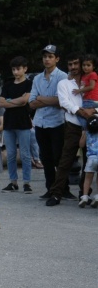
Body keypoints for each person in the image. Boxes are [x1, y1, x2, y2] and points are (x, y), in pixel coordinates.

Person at [45, 52, 94, 206]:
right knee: (65, 160)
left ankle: (84, 193)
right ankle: (56, 193)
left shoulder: (90, 82)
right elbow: (64, 102)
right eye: (70, 64)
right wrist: (81, 111)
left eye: (75, 64)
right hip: (73, 125)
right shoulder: (64, 84)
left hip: (92, 125)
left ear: (81, 64)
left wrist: (93, 113)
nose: (73, 67)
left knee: (90, 160)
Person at [28, 45, 69, 199]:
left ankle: (63, 188)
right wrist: (49, 100)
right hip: (40, 122)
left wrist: (41, 98)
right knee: (46, 158)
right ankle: (50, 188)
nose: (47, 59)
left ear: (57, 59)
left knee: (58, 157)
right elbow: (31, 103)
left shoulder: (63, 77)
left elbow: (61, 101)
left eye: (50, 56)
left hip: (57, 122)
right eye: (45, 56)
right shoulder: (37, 78)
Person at [0, 56, 33, 193]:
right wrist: (16, 101)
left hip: (23, 122)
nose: (15, 72)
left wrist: (10, 101)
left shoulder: (29, 84)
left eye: (18, 69)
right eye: (13, 69)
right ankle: (13, 182)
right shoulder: (7, 84)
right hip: (9, 123)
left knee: (25, 154)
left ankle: (27, 182)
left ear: (25, 69)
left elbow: (25, 101)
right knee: (11, 154)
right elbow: (1, 103)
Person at [72, 54, 98, 128]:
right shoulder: (84, 76)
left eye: (88, 65)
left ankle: (86, 129)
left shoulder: (93, 74)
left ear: (94, 66)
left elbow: (91, 87)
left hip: (91, 100)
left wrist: (79, 90)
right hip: (87, 100)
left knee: (80, 114)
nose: (85, 67)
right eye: (84, 65)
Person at [79, 116, 98, 207]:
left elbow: (81, 145)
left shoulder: (87, 132)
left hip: (91, 159)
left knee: (87, 179)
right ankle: (97, 197)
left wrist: (83, 134)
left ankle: (85, 196)